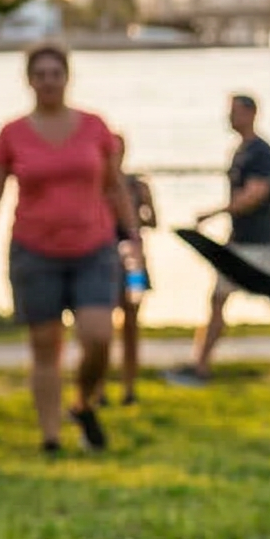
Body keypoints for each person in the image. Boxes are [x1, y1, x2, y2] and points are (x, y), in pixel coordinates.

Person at [0, 41, 140, 453]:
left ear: (67, 78)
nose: (48, 81)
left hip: (94, 247)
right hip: (35, 250)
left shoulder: (95, 126)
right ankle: (50, 437)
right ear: (30, 80)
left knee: (98, 335)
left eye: (55, 73)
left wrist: (134, 239)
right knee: (45, 346)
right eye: (40, 74)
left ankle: (83, 402)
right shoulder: (11, 133)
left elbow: (115, 186)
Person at [169, 93, 270, 385]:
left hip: (260, 241)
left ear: (251, 113)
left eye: (235, 112)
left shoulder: (260, 151)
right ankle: (201, 365)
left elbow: (255, 194)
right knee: (219, 299)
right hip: (240, 239)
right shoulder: (241, 150)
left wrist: (215, 213)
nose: (230, 117)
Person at [114, 139, 157, 404]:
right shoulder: (98, 186)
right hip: (104, 259)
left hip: (133, 259)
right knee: (101, 323)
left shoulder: (136, 185)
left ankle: (129, 387)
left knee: (132, 321)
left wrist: (134, 215)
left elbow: (153, 220)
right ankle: (100, 389)